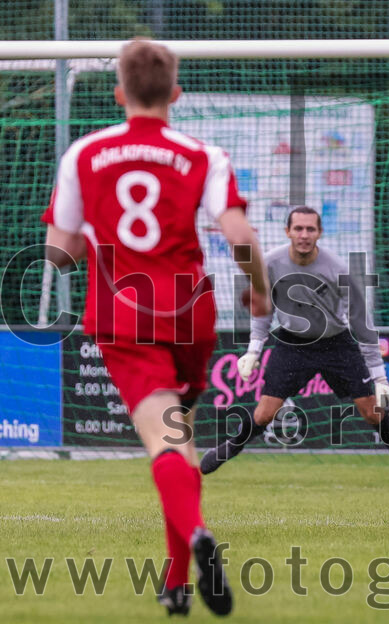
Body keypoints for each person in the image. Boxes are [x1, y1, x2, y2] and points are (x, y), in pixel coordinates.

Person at [42, 39, 269, 616]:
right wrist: (261, 289)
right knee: (181, 437)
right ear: (176, 94)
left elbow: (59, 255)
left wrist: (90, 235)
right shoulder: (201, 154)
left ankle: (196, 535)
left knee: (165, 443)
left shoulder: (83, 154)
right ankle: (176, 585)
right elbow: (239, 236)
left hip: (125, 316)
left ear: (119, 93)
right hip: (191, 314)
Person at [200, 206, 389, 485]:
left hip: (336, 343)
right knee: (264, 414)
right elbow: (262, 309)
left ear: (319, 233)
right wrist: (254, 349)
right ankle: (229, 448)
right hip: (292, 344)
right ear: (287, 231)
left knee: (372, 412)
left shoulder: (337, 269)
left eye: (310, 229)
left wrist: (380, 379)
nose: (304, 235)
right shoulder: (270, 263)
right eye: (298, 228)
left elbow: (361, 322)